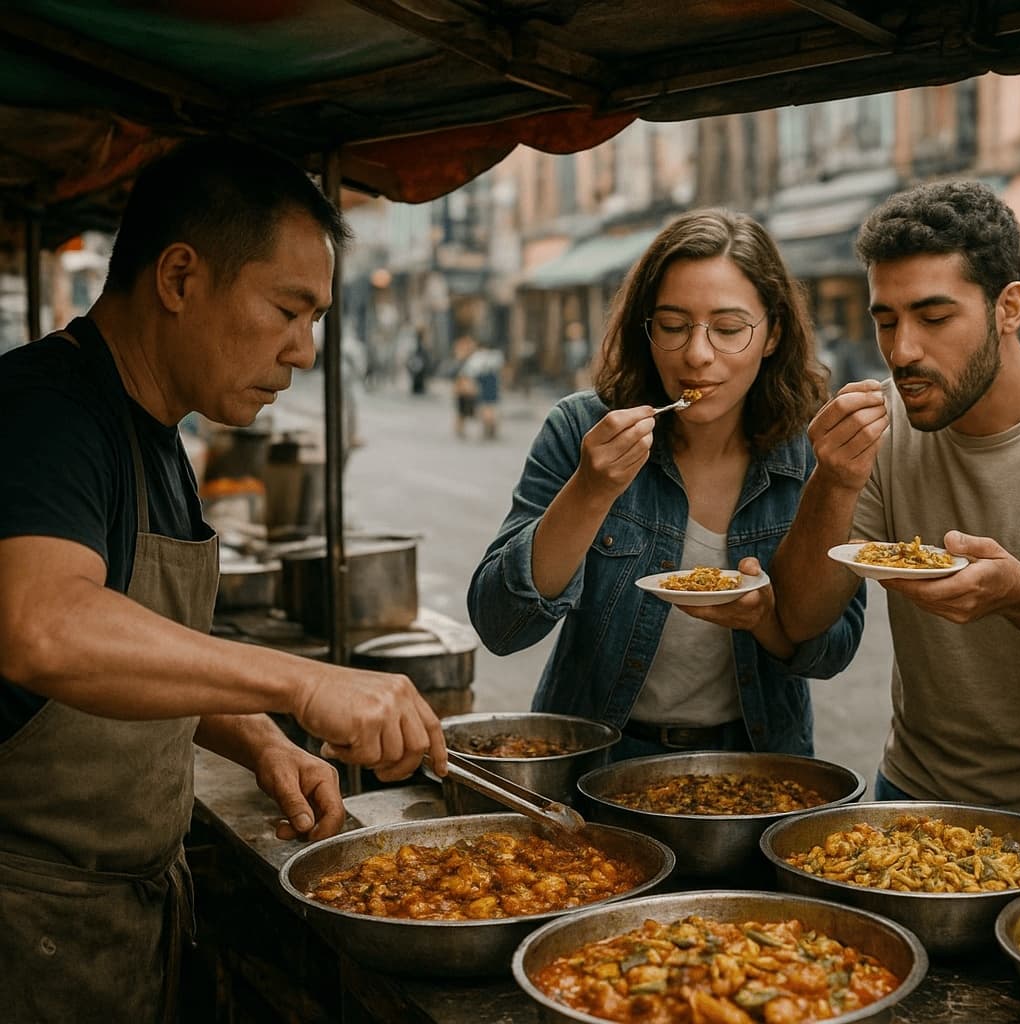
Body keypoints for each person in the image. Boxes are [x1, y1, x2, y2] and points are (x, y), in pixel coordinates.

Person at [0, 138, 447, 1022]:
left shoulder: (159, 434)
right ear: (178, 277)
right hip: (26, 921)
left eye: (315, 320)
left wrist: (264, 742)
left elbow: (137, 648)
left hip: (118, 914)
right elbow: (44, 626)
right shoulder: (46, 412)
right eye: (290, 309)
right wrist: (305, 681)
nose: (305, 351)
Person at [771, 181, 1020, 875]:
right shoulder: (884, 431)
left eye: (933, 317)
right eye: (886, 320)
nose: (901, 351)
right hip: (915, 794)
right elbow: (804, 617)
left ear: (1008, 308)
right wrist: (832, 478)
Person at [467, 209, 866, 760]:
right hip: (595, 758)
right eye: (673, 327)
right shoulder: (581, 429)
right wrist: (590, 489)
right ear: (646, 329)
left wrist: (764, 621)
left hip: (756, 760)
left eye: (728, 330)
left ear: (772, 333)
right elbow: (500, 625)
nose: (696, 355)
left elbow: (832, 649)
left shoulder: (810, 452)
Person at [449, 332, 479, 438]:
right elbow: (459, 376)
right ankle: (459, 429)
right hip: (462, 390)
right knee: (461, 412)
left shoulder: (468, 360)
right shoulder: (462, 360)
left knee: (463, 412)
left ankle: (460, 429)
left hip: (465, 390)